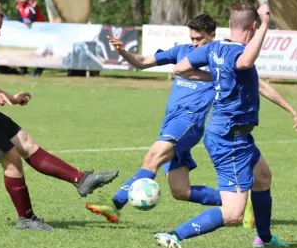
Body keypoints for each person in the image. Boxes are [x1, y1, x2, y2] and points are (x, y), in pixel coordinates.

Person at [0, 4, 119, 231]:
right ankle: (26, 218)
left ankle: (82, 180)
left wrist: (9, 97)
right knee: (11, 157)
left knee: (25, 142)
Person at [154, 1, 297, 248]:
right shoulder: (239, 54)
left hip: (235, 135)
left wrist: (292, 111)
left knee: (263, 178)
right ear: (253, 25)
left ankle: (265, 239)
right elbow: (245, 61)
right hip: (230, 139)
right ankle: (173, 235)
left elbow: (180, 68)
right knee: (234, 213)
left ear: (229, 24)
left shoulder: (215, 47)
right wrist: (267, 24)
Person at [85, 14, 220, 223]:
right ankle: (236, 201)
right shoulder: (182, 51)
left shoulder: (219, 60)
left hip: (188, 123)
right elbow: (143, 62)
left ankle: (114, 204)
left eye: (199, 39)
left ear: (212, 36)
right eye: (192, 38)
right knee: (181, 191)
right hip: (171, 123)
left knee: (151, 160)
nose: (194, 43)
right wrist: (123, 52)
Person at [16, 0, 45, 76]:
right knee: (26, 49)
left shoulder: (32, 4)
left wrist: (28, 20)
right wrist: (23, 20)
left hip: (39, 30)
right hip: (28, 31)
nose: (21, 0)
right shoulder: (18, 5)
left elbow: (32, 16)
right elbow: (18, 17)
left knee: (38, 49)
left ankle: (39, 69)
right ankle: (23, 68)